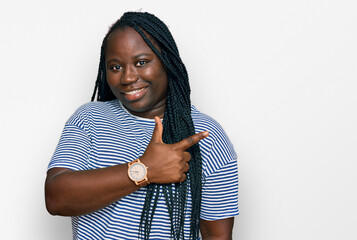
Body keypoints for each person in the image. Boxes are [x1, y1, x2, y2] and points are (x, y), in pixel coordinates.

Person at [45, 11, 238, 240]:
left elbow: (217, 236)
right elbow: (56, 197)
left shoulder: (206, 136)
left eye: (141, 62)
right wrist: (145, 170)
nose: (127, 77)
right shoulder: (89, 118)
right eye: (115, 67)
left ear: (167, 62)